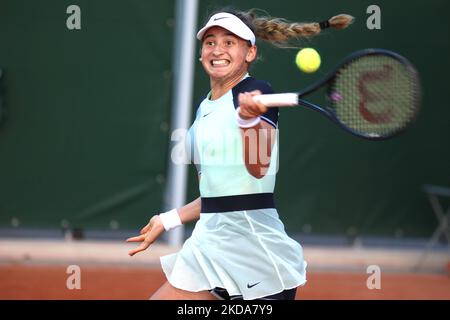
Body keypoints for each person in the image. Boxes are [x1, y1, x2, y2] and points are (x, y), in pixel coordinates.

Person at [127, 8, 353, 300]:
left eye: (229, 42)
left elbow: (258, 168)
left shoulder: (258, 92)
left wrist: (248, 121)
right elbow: (220, 191)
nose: (217, 49)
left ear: (250, 53)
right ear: (200, 53)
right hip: (209, 248)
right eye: (210, 42)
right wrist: (168, 219)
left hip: (254, 257)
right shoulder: (205, 106)